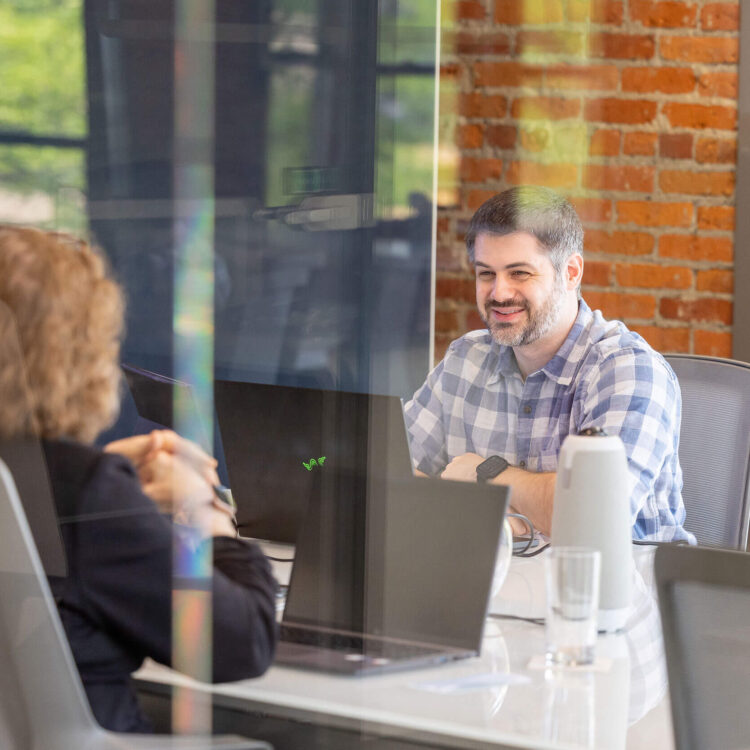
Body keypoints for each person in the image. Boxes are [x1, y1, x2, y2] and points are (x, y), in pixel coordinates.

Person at [0, 225, 278, 732]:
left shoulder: (54, 485)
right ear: (74, 356)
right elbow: (245, 642)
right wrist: (202, 506)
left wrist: (110, 472)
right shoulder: (84, 494)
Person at [404, 186, 693, 543]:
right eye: (485, 274)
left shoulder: (627, 371)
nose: (499, 292)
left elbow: (596, 518)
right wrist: (494, 517)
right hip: (491, 586)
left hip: (617, 593)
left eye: (519, 273)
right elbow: (386, 470)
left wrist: (486, 473)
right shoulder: (466, 359)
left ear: (571, 272)